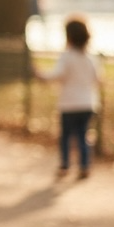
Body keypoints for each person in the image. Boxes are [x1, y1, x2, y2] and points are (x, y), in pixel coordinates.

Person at [39, 15, 103, 179]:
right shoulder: (91, 58)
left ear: (68, 36)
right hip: (88, 103)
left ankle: (65, 165)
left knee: (66, 136)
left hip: (69, 104)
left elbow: (57, 74)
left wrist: (41, 76)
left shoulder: (67, 57)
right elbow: (98, 79)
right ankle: (84, 165)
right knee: (83, 135)